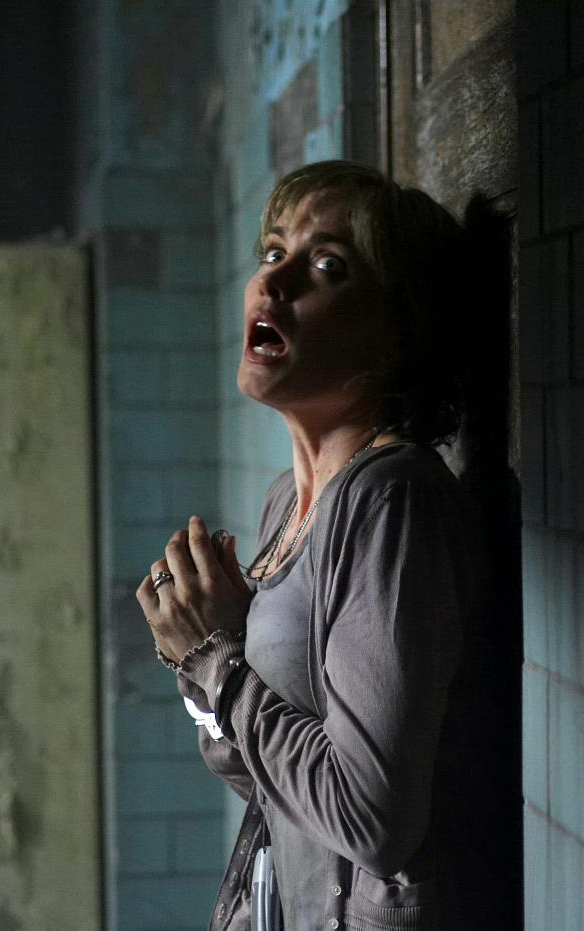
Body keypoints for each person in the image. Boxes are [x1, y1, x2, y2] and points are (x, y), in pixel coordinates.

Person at [136, 160, 499, 931]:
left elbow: (371, 819)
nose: (274, 281)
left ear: (397, 333)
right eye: (274, 252)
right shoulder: (285, 501)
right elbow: (274, 786)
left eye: (327, 266)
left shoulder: (392, 500)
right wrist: (203, 668)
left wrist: (215, 663)